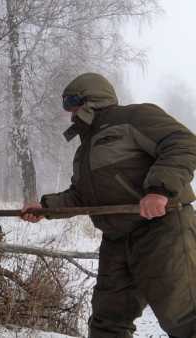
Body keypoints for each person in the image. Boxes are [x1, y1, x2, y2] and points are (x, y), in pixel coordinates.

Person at [21, 73, 196, 338]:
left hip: (162, 230)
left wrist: (159, 190)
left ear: (90, 100)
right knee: (107, 323)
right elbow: (81, 197)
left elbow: (183, 143)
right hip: (116, 239)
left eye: (72, 105)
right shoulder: (84, 151)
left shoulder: (135, 117)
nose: (70, 115)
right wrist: (45, 208)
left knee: (183, 318)